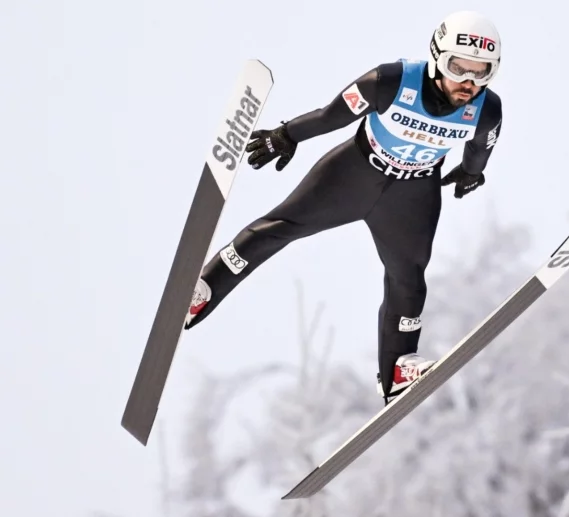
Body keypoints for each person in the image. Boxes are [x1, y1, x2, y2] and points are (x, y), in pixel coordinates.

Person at [183, 10, 504, 403]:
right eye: (459, 68)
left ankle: (397, 370)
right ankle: (202, 289)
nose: (469, 83)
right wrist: (287, 134)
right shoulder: (391, 81)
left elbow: (481, 147)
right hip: (354, 174)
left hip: (413, 194)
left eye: (482, 72)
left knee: (409, 279)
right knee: (281, 226)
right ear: (438, 56)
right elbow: (329, 116)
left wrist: (471, 174)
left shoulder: (486, 109)